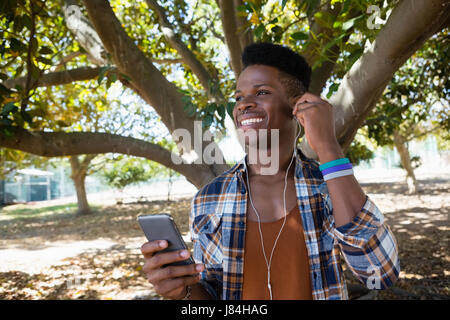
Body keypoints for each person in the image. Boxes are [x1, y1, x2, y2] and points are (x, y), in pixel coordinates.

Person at [140, 42, 400, 300]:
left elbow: (380, 273)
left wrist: (328, 146)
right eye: (239, 97)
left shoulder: (330, 185)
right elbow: (210, 296)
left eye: (261, 92)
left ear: (298, 106)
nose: (243, 105)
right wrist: (183, 290)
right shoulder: (208, 199)